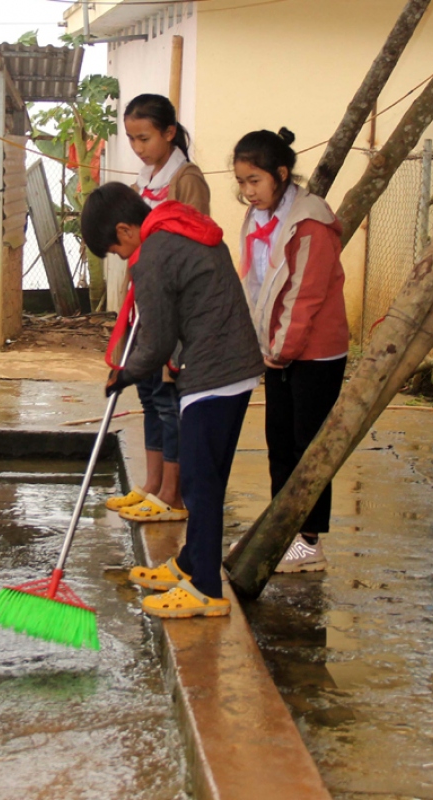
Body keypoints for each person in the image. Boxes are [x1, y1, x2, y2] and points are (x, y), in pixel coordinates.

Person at [83, 182, 264, 618]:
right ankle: (189, 563)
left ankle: (205, 589)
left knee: (201, 485)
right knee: (206, 479)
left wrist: (126, 374)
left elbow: (159, 339)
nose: (123, 259)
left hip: (213, 374)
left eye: (116, 250)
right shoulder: (174, 227)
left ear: (127, 230)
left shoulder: (154, 255)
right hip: (233, 367)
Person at [234, 128, 349, 573]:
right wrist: (262, 345)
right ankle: (283, 527)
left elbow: (304, 295)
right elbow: (254, 283)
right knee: (278, 442)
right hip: (276, 349)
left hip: (314, 352)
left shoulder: (310, 224)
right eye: (242, 182)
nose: (247, 192)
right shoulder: (256, 219)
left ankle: (310, 538)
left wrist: (279, 349)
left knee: (309, 446)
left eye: (255, 182)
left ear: (281, 175)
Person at [104, 94, 211, 525]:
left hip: (173, 308)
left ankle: (173, 493)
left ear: (169, 132)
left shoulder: (186, 179)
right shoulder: (142, 177)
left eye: (144, 137)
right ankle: (150, 484)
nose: (138, 147)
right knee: (149, 395)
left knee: (169, 400)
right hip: (141, 305)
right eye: (131, 139)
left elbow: (194, 239)